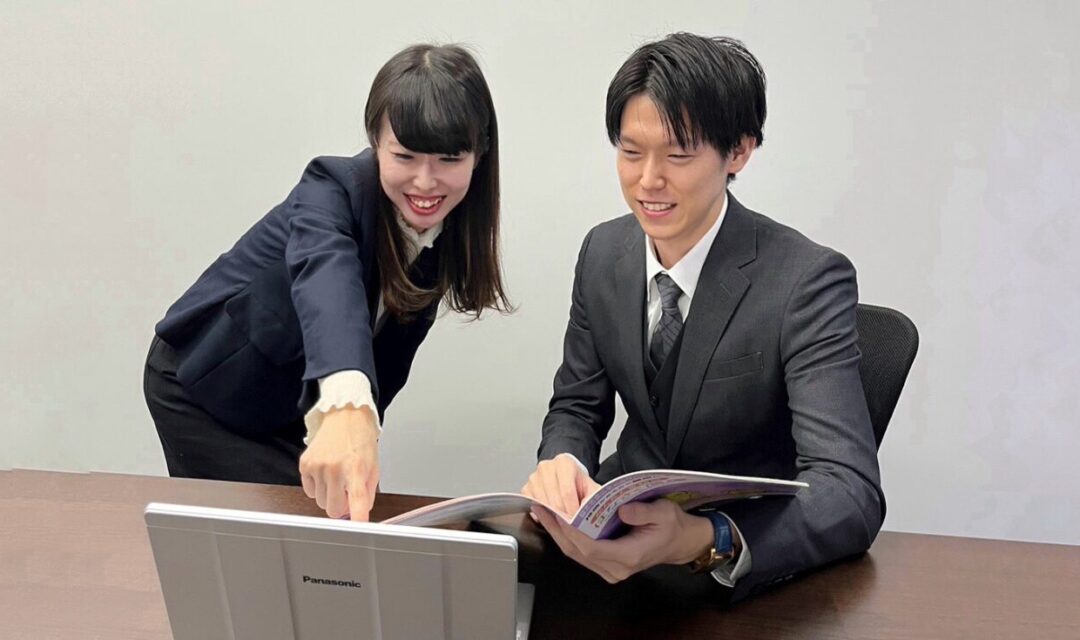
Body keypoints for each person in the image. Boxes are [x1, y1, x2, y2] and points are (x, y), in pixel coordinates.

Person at [520, 33, 883, 602]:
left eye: (679, 156)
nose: (648, 181)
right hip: (619, 539)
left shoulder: (805, 280)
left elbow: (849, 492)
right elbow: (576, 406)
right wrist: (562, 463)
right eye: (631, 152)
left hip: (742, 563)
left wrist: (703, 538)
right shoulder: (603, 253)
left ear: (738, 152)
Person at [144, 43, 508, 522]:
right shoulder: (331, 186)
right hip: (204, 382)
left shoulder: (447, 233)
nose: (425, 182)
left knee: (342, 522)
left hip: (292, 400)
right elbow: (328, 284)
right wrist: (346, 410)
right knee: (302, 535)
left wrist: (361, 436)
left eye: (448, 159)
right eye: (404, 156)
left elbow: (387, 360)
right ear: (375, 142)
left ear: (479, 154)